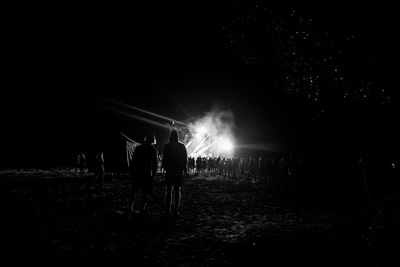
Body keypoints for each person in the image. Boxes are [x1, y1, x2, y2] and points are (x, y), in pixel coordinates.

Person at [129, 133, 158, 215]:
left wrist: (132, 171)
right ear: (153, 140)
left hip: (138, 172)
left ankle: (130, 206)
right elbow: (154, 164)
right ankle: (142, 208)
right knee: (145, 192)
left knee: (134, 191)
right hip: (147, 173)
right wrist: (154, 175)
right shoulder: (153, 150)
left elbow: (133, 161)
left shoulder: (138, 148)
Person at [162, 129, 188, 217]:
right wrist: (185, 169)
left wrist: (164, 167)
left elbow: (164, 158)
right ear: (177, 136)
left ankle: (168, 209)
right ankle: (176, 210)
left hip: (170, 170)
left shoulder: (167, 146)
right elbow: (185, 159)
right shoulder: (181, 146)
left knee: (169, 191)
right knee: (177, 190)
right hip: (178, 171)